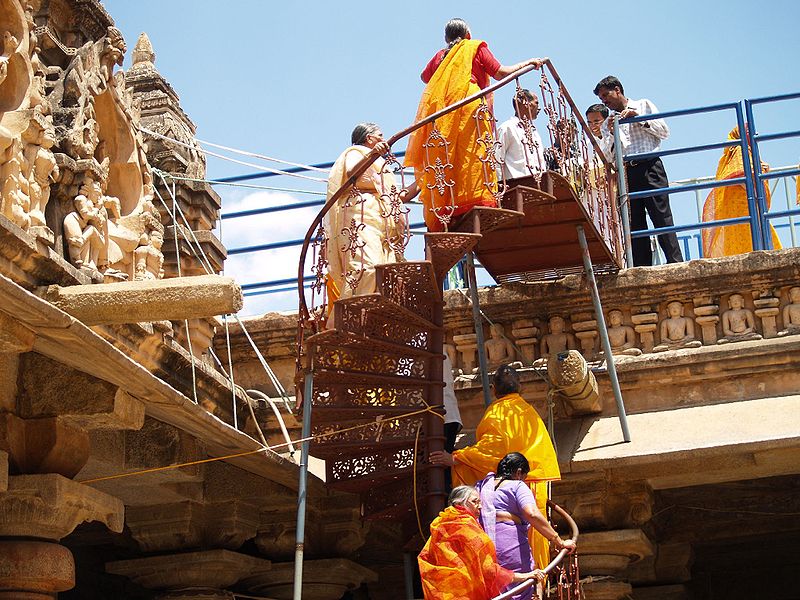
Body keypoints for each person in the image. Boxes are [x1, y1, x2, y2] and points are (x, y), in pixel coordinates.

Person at [405, 18, 544, 231]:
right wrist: (528, 63)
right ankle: (473, 200)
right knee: (472, 155)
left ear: (446, 38)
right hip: (469, 108)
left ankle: (449, 206)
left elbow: (425, 78)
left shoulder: (440, 56)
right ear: (467, 33)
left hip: (441, 113)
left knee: (446, 158)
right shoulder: (474, 47)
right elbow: (501, 73)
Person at [429, 364, 560, 572]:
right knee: (535, 539)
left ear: (493, 389)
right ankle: (539, 583)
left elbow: (492, 451)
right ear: (521, 387)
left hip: (516, 487)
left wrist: (456, 458)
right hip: (537, 481)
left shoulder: (497, 412)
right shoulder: (529, 410)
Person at [593, 75, 683, 267]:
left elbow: (664, 132)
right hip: (626, 173)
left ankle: (675, 262)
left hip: (650, 166)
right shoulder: (608, 122)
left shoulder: (643, 105)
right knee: (634, 223)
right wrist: (609, 133)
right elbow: (607, 157)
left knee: (661, 216)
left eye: (606, 95)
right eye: (601, 99)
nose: (605, 101)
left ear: (617, 90)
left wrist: (639, 120)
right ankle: (641, 267)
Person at [324, 123, 418, 303]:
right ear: (369, 138)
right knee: (366, 268)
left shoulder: (379, 164)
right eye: (380, 136)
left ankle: (369, 311)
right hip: (360, 218)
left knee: (385, 269)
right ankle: (351, 313)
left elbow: (397, 196)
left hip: (381, 223)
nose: (384, 139)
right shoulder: (355, 152)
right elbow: (352, 172)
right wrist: (373, 153)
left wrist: (421, 181)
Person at [418, 485, 544, 600]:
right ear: (459, 503)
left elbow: (425, 556)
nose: (480, 506)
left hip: (443, 593)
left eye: (480, 502)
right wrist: (526, 576)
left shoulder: (441, 523)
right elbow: (489, 570)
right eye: (475, 501)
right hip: (465, 593)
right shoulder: (467, 528)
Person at [477, 453, 575, 600]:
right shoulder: (517, 485)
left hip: (482, 548)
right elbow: (532, 514)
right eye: (525, 477)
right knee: (521, 589)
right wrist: (559, 542)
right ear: (518, 473)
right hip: (510, 547)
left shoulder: (481, 486)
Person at [701, 126, 781, 257]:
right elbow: (740, 176)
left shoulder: (742, 152)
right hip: (743, 204)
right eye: (749, 132)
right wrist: (755, 192)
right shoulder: (740, 150)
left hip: (739, 206)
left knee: (743, 238)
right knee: (752, 237)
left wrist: (762, 171)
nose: (754, 134)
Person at [496, 89, 547, 180]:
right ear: (524, 102)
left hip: (537, 188)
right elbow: (497, 160)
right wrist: (499, 188)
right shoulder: (507, 128)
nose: (539, 108)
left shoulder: (535, 134)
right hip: (515, 188)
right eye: (536, 103)